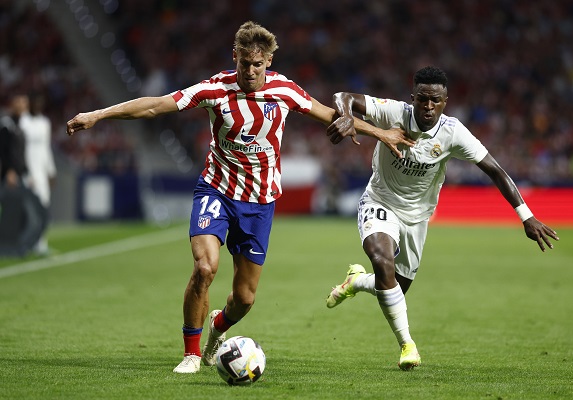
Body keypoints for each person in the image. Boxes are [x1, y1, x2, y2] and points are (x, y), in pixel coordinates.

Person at [66, 21, 413, 374]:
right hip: (216, 189)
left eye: (257, 64)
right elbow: (156, 105)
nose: (249, 71)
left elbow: (332, 115)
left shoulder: (284, 90)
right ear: (235, 57)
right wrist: (98, 114)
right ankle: (190, 353)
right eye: (244, 63)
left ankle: (219, 327)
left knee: (244, 300)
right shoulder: (215, 89)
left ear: (268, 62)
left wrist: (380, 132)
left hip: (259, 203)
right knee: (205, 269)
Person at [324, 66, 560, 370]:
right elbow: (343, 96)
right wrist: (345, 114)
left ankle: (356, 282)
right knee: (382, 261)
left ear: (445, 101)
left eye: (435, 100)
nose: (428, 106)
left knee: (394, 286)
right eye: (422, 99)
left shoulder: (453, 132)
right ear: (413, 98)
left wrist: (526, 216)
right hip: (379, 201)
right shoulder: (393, 112)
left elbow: (495, 170)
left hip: (417, 217)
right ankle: (407, 345)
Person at [19, 93, 57, 255]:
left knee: (43, 207)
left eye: (41, 103)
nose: (38, 106)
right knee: (26, 209)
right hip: (27, 172)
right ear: (31, 103)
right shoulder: (22, 122)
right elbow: (19, 149)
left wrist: (51, 171)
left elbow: (47, 149)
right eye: (36, 102)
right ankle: (25, 243)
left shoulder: (44, 123)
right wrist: (24, 171)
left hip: (41, 172)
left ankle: (41, 244)